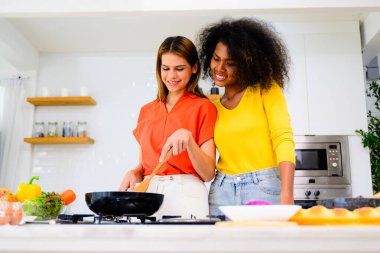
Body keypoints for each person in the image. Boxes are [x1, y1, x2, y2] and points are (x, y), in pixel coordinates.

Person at [197, 18, 296, 216]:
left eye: (230, 63)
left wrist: (287, 193)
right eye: (216, 59)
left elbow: (283, 138)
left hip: (264, 187)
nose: (220, 68)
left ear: (247, 64)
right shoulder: (212, 106)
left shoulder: (266, 90)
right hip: (221, 190)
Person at [119, 36, 217, 219]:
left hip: (187, 194)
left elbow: (208, 173)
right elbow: (146, 165)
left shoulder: (204, 108)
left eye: (179, 69)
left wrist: (188, 140)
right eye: (166, 69)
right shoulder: (146, 111)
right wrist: (135, 172)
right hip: (149, 193)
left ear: (194, 68)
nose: (171, 76)